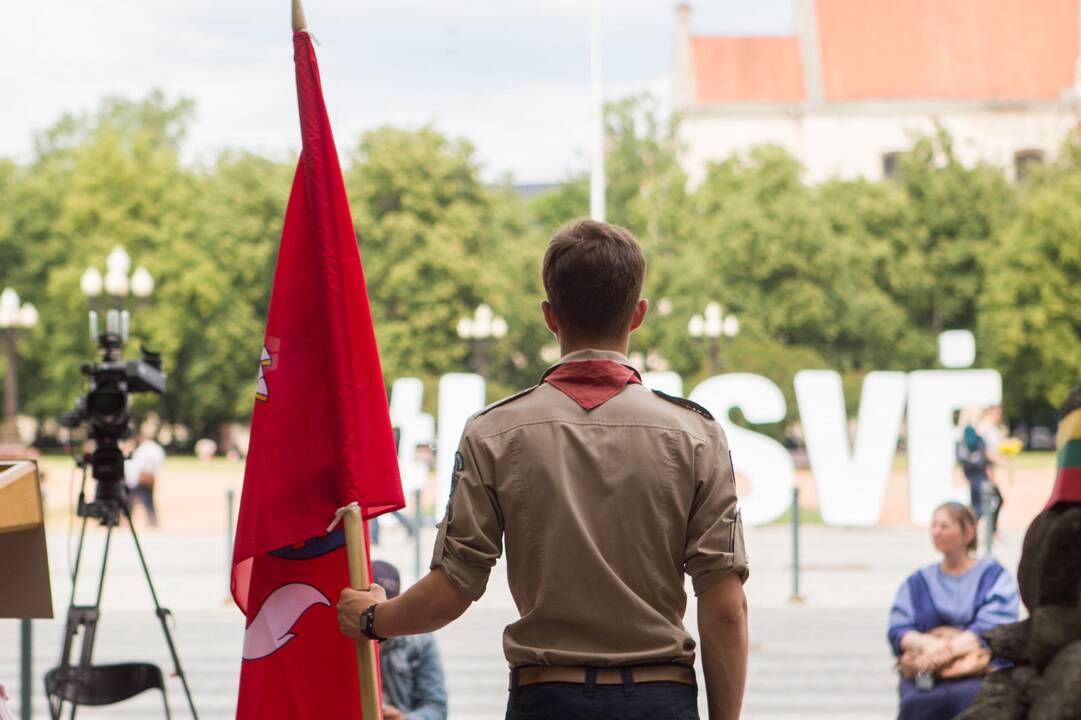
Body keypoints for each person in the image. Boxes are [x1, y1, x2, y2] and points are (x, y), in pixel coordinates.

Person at [338, 219, 750, 719]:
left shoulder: (493, 432)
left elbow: (452, 589)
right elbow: (725, 608)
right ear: (637, 314)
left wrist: (373, 618)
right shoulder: (696, 434)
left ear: (550, 316)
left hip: (547, 699)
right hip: (659, 699)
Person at [887, 502, 1019, 720]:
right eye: (934, 525)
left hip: (979, 671)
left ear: (968, 533)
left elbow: (993, 627)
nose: (936, 531)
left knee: (974, 699)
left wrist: (942, 653)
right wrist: (927, 645)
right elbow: (899, 628)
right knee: (916, 701)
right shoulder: (918, 581)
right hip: (928, 674)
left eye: (945, 526)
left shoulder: (994, 577)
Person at [369, 560, 448, 720]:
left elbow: (436, 707)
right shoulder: (345, 641)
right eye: (371, 612)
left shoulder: (420, 642)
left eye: (384, 610)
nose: (378, 621)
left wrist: (403, 719)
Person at [125, 429, 165, 527]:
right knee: (149, 502)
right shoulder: (157, 449)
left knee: (132, 502)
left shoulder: (143, 449)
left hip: (141, 477)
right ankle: (152, 522)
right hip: (151, 477)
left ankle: (129, 522)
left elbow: (138, 465)